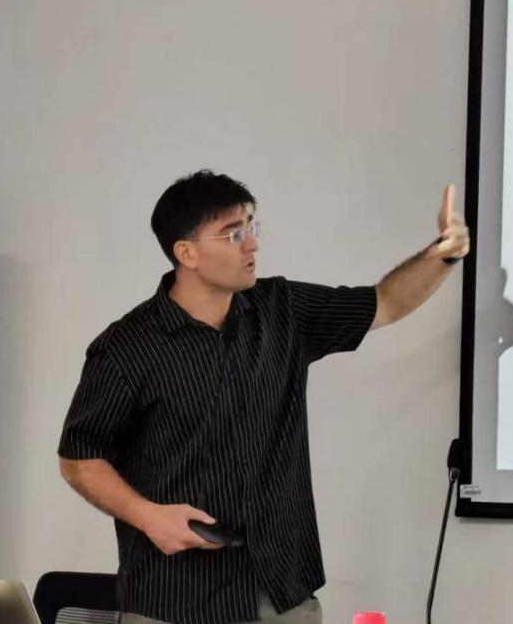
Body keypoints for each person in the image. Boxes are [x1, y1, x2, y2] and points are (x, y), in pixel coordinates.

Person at [58, 171, 470, 624]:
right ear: (186, 252)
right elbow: (80, 457)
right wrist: (146, 516)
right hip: (174, 598)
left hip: (282, 593)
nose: (252, 245)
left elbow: (385, 303)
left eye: (252, 228)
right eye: (233, 234)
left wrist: (442, 255)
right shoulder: (128, 346)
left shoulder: (282, 309)